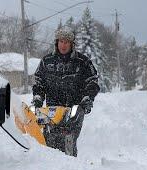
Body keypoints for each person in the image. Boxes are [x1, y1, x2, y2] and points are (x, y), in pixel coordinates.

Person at [32, 27, 100, 156]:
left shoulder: (83, 62)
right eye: (61, 41)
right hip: (52, 110)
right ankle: (50, 167)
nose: (63, 45)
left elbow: (92, 82)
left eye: (67, 42)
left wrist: (87, 98)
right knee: (49, 140)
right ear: (56, 43)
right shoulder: (46, 61)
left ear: (72, 44)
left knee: (68, 139)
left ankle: (70, 168)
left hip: (74, 108)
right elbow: (39, 82)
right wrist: (38, 97)